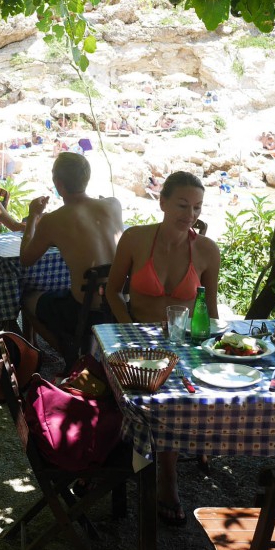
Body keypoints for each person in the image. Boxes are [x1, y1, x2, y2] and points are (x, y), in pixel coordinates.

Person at [104, 171, 221, 528]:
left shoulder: (206, 249)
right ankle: (161, 478)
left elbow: (211, 312)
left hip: (183, 344)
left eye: (197, 207)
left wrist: (216, 346)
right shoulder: (136, 239)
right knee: (145, 389)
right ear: (163, 202)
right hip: (136, 340)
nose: (189, 214)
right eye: (182, 205)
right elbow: (112, 292)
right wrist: (128, 331)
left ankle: (167, 473)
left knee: (181, 389)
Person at [19, 153, 123, 352]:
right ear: (86, 178)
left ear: (58, 183)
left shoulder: (53, 220)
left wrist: (33, 216)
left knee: (27, 297)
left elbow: (26, 259)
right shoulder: (114, 204)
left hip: (84, 311)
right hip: (120, 305)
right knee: (66, 292)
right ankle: (87, 352)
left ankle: (69, 353)